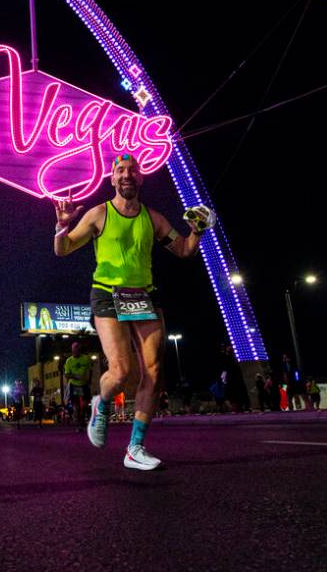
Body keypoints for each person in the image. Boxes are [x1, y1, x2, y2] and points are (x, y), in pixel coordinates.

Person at [52, 154, 215, 470]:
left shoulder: (153, 219)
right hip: (107, 295)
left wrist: (197, 230)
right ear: (112, 179)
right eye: (120, 171)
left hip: (144, 297)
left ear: (140, 178)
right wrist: (62, 225)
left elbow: (183, 250)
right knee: (122, 370)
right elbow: (63, 249)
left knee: (153, 372)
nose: (126, 175)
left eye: (132, 171)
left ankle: (135, 448)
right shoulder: (99, 214)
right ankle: (101, 406)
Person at [63, 343, 93, 427]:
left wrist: (89, 380)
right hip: (74, 385)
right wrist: (75, 376)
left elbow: (90, 370)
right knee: (76, 406)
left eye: (76, 350)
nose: (74, 352)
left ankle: (82, 418)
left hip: (84, 384)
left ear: (79, 350)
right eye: (73, 351)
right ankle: (78, 422)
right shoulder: (69, 361)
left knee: (85, 404)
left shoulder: (85, 359)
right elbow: (66, 374)